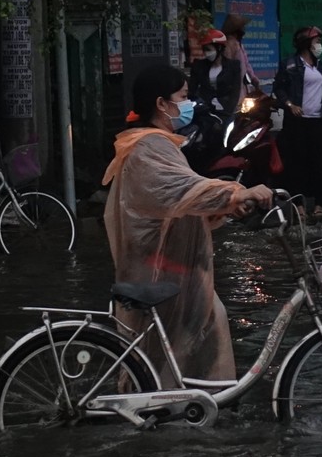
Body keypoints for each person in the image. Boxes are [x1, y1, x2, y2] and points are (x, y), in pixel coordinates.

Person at [103, 64, 272, 382]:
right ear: (161, 104)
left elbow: (180, 202)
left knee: (184, 338)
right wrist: (236, 193)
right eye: (182, 96)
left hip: (166, 264)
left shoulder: (156, 143)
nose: (188, 103)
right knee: (192, 333)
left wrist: (224, 206)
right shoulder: (149, 147)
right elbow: (184, 190)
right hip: (160, 269)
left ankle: (186, 405)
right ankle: (182, 405)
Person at [273, 26, 322, 219]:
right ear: (306, 44)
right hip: (297, 122)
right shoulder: (290, 65)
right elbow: (279, 89)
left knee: (318, 164)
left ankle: (320, 204)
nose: (319, 45)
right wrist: (290, 105)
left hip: (317, 121)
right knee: (296, 165)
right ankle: (298, 205)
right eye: (316, 42)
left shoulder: (319, 64)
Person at [189, 27, 241, 118]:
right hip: (205, 111)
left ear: (219, 48)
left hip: (226, 112)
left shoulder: (234, 66)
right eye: (204, 50)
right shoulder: (198, 66)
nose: (206, 53)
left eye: (208, 49)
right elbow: (191, 90)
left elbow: (235, 92)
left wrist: (228, 111)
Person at [220, 13, 262, 94]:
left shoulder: (239, 45)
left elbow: (246, 64)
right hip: (233, 88)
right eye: (242, 28)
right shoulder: (229, 45)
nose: (244, 30)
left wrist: (253, 77)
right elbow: (227, 67)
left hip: (241, 87)